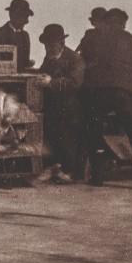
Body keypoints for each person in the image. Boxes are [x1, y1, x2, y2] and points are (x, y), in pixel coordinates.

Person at [79, 8, 132, 190]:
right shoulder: (131, 40)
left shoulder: (91, 37)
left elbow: (83, 61)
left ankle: (97, 177)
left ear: (107, 21)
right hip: (123, 92)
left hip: (96, 92)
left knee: (94, 133)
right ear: (123, 24)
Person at [37, 24, 85, 184]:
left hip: (70, 107)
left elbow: (75, 83)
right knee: (51, 137)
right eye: (46, 45)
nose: (48, 48)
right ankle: (54, 168)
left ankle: (69, 172)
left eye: (51, 45)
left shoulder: (74, 59)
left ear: (61, 43)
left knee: (68, 139)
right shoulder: (49, 58)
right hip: (53, 106)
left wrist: (51, 82)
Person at [0, 0, 34, 71]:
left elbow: (24, 63)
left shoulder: (25, 36)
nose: (26, 21)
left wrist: (28, 64)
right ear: (12, 15)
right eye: (24, 16)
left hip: (21, 81)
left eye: (27, 17)